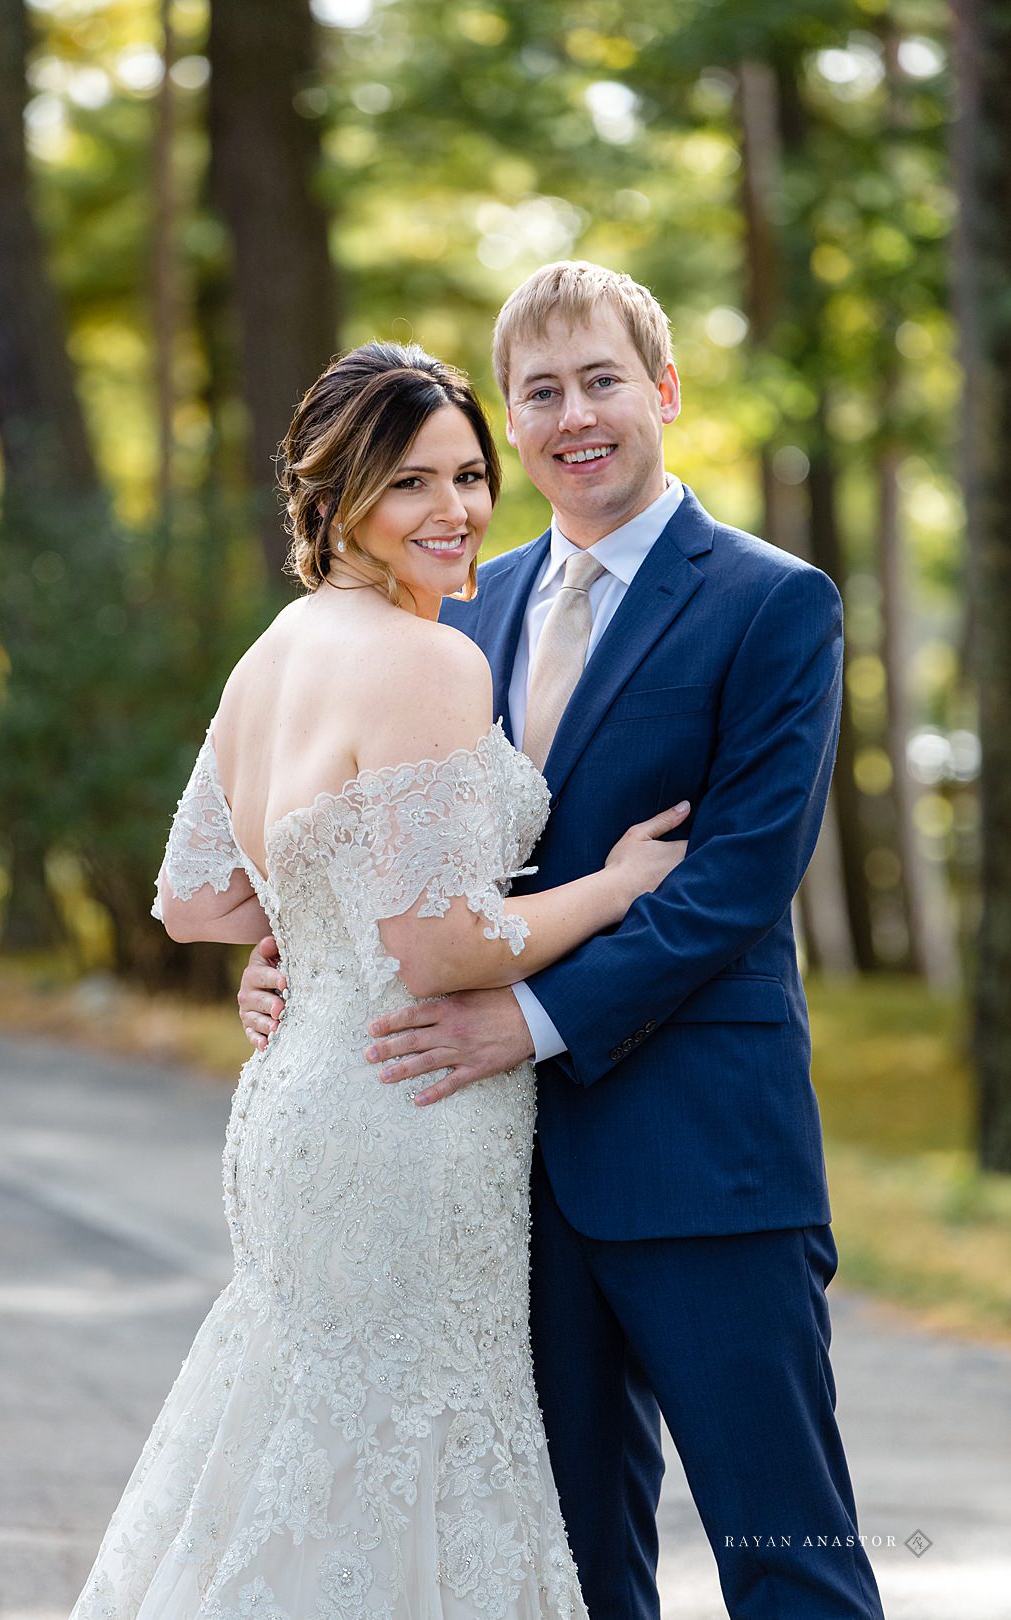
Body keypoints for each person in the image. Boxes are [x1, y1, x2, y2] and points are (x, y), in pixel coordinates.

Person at [239, 262, 885, 1620]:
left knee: (792, 1567)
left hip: (704, 1158)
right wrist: (289, 949)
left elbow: (735, 883)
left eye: (602, 381)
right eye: (540, 393)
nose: (572, 415)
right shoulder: (463, 602)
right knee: (569, 1575)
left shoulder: (774, 602)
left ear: (663, 392)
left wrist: (526, 1018)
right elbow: (367, 829)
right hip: (496, 1176)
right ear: (513, 427)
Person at [69, 339, 691, 1620]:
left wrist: (295, 937)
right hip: (404, 1119)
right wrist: (617, 888)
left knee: (303, 1431)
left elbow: (199, 898)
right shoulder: (428, 661)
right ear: (338, 495)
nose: (456, 512)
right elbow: (436, 946)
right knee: (410, 1433)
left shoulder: (273, 654)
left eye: (469, 476)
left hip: (300, 1107)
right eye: (411, 483)